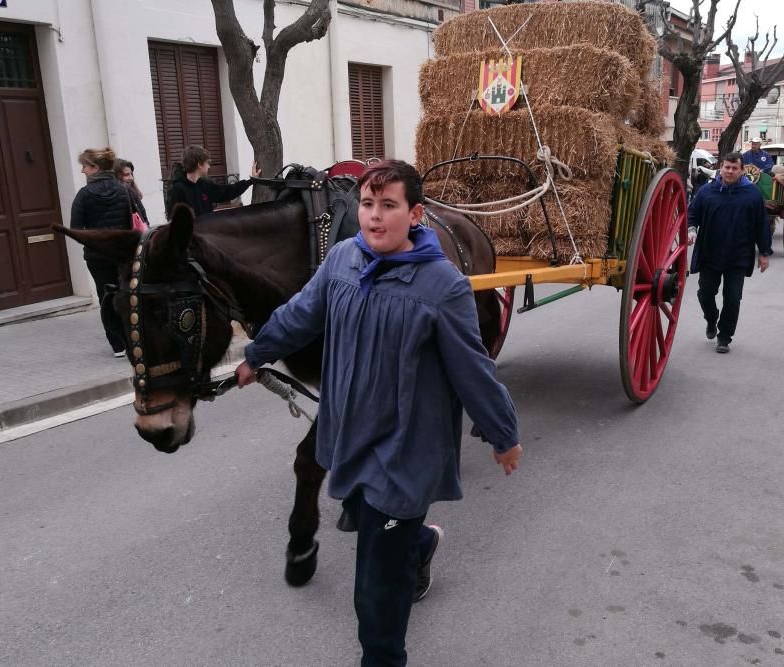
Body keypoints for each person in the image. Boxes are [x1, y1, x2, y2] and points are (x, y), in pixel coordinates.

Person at [234, 160, 522, 666]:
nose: (374, 215)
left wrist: (503, 434)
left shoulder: (443, 287)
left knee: (375, 595)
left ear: (416, 214)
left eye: (388, 205)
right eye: (367, 204)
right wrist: (256, 354)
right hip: (350, 436)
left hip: (403, 452)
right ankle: (420, 542)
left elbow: (472, 369)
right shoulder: (343, 259)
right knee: (371, 528)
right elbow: (303, 312)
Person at [687, 152, 772, 354]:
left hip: (738, 255)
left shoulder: (751, 194)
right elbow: (692, 214)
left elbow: (762, 224)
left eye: (735, 168)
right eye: (727, 167)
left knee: (733, 298)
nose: (730, 171)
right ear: (721, 168)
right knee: (705, 294)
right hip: (710, 253)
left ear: (742, 170)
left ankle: (724, 337)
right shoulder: (707, 192)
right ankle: (711, 318)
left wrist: (764, 253)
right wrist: (691, 230)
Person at [70, 147, 131, 357]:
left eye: (84, 166)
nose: (82, 171)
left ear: (95, 168)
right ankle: (133, 340)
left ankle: (117, 344)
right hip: (123, 253)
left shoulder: (84, 195)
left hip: (97, 256)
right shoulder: (123, 190)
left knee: (106, 296)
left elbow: (75, 228)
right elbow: (134, 220)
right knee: (127, 294)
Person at [164, 145, 262, 219]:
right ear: (199, 164)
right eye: (207, 163)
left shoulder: (205, 185)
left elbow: (227, 192)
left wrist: (251, 181)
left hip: (206, 238)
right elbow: (173, 219)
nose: (209, 166)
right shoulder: (177, 189)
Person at [114, 158, 149, 226]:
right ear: (116, 176)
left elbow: (144, 220)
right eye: (126, 175)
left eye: (131, 174)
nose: (131, 178)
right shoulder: (112, 198)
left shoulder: (133, 193)